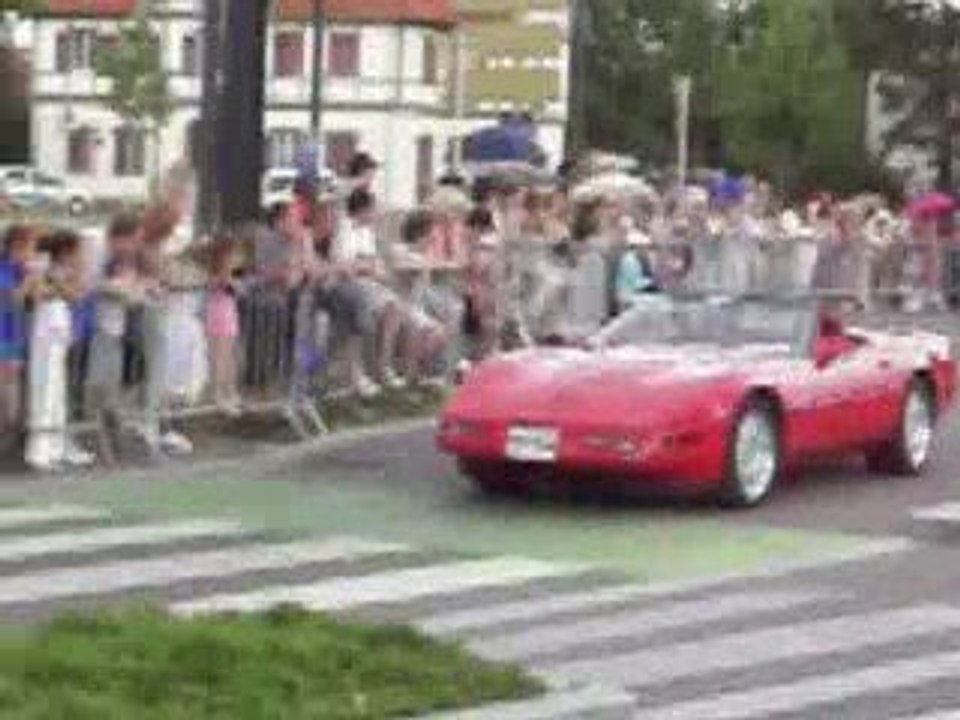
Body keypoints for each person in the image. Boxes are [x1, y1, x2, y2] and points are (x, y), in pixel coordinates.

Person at [25, 230, 94, 471]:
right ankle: (38, 452)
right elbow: (37, 295)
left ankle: (56, 447)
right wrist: (52, 282)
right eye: (77, 251)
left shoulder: (66, 273)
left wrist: (59, 283)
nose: (80, 256)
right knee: (44, 389)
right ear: (64, 252)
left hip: (60, 332)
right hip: (45, 333)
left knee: (58, 391)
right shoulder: (40, 268)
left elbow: (77, 295)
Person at [332, 188, 406, 391]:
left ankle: (384, 366)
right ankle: (357, 373)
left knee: (395, 308)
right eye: (372, 209)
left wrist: (368, 267)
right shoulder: (344, 229)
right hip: (346, 284)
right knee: (363, 311)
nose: (375, 213)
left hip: (368, 283)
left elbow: (372, 264)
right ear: (362, 210)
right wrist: (365, 266)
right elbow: (346, 267)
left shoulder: (367, 232)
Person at [0, 225, 39, 457]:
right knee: (6, 391)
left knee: (12, 390)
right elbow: (12, 299)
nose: (31, 254)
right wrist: (30, 279)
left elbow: (33, 298)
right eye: (29, 248)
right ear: (16, 247)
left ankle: (9, 436)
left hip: (15, 336)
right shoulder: (4, 269)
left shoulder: (18, 271)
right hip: (4, 337)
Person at [204, 237, 242, 417]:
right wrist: (227, 277)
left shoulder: (230, 272)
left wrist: (232, 278)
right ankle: (218, 395)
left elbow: (235, 288)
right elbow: (220, 286)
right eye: (233, 254)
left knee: (229, 357)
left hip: (228, 314)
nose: (236, 257)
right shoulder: (217, 273)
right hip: (219, 315)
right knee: (220, 357)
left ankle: (230, 392)